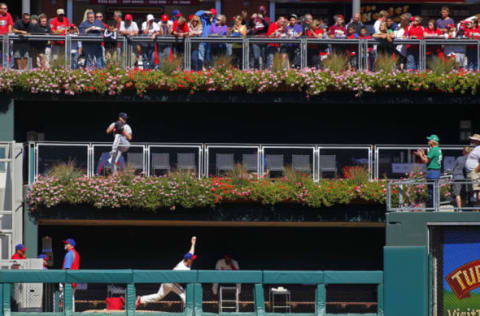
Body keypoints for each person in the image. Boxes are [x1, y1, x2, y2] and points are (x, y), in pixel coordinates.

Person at [136, 236, 197, 308]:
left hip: (168, 280)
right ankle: (189, 312)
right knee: (184, 296)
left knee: (158, 296)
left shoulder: (185, 261)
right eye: (192, 259)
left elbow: (191, 252)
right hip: (171, 282)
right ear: (188, 260)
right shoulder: (182, 267)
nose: (193, 259)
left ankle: (141, 299)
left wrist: (193, 243)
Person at [415, 135, 442, 208]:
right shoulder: (438, 149)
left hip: (432, 172)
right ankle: (435, 207)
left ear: (433, 142)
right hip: (436, 171)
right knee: (434, 190)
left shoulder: (433, 149)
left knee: (432, 191)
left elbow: (425, 160)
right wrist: (423, 154)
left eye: (430, 140)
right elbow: (430, 158)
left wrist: (420, 155)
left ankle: (434, 208)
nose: (428, 141)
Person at [62, 239, 80, 312]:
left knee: (65, 303)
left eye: (67, 244)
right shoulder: (76, 253)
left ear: (71, 245)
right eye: (65, 243)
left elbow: (66, 269)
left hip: (68, 281)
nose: (65, 245)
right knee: (71, 301)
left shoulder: (69, 254)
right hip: (73, 281)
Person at [465, 134, 480, 208]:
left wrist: (476, 171)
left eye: (473, 139)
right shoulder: (474, 148)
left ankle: (478, 207)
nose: (471, 141)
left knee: (477, 190)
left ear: (477, 141)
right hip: (470, 173)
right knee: (472, 191)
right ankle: (475, 207)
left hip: (475, 173)